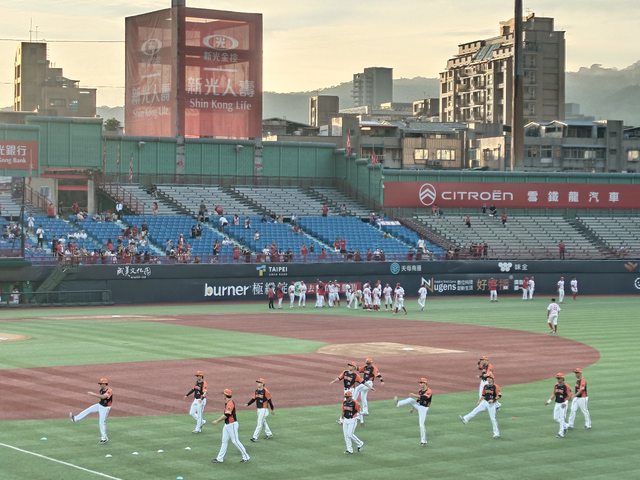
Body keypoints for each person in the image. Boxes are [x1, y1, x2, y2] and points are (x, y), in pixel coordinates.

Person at [69, 377, 113, 444]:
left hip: (105, 408)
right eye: (100, 383)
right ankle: (75, 419)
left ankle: (104, 438)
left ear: (105, 384)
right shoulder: (101, 390)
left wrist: (93, 394)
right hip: (100, 405)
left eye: (101, 383)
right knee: (88, 410)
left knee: (101, 422)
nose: (100, 385)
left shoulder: (109, 390)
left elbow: (103, 397)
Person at [211, 389, 250, 463]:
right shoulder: (227, 402)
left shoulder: (230, 403)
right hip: (227, 425)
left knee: (235, 441)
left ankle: (246, 457)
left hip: (232, 425)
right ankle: (219, 458)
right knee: (224, 441)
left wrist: (217, 421)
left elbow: (226, 415)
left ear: (226, 395)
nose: (223, 395)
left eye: (223, 394)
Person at [460, 372, 501, 438]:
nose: (488, 379)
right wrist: (479, 401)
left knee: (493, 419)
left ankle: (496, 433)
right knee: (476, 410)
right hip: (484, 402)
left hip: (491, 404)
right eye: (487, 378)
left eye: (489, 378)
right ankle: (466, 419)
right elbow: (483, 395)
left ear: (492, 379)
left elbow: (499, 395)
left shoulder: (495, 386)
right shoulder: (486, 386)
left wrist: (493, 400)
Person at [394, 377, 432, 446]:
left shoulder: (429, 391)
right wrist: (413, 408)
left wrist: (413, 395)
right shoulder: (420, 391)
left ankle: (423, 441)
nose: (420, 384)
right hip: (419, 406)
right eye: (420, 383)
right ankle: (398, 404)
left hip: (424, 408)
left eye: (421, 383)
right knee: (410, 399)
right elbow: (418, 400)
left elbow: (424, 397)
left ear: (425, 383)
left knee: (421, 425)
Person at [354, 358, 384, 423]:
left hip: (369, 383)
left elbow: (378, 374)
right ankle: (365, 411)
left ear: (371, 363)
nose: (368, 364)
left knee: (357, 388)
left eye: (369, 363)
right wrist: (354, 367)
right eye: (368, 363)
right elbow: (359, 369)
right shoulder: (365, 367)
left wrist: (382, 381)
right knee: (363, 397)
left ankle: (353, 401)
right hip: (365, 383)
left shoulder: (373, 368)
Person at [247, 378, 275, 442]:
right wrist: (248, 404)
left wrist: (272, 409)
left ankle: (254, 437)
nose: (258, 383)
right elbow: (254, 399)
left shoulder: (266, 391)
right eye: (257, 382)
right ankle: (269, 433)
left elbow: (270, 401)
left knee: (259, 423)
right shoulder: (256, 390)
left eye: (259, 382)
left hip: (264, 409)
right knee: (263, 421)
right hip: (259, 409)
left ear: (262, 384)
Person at [545, 372, 572, 438]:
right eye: (557, 378)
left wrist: (565, 403)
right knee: (555, 418)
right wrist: (549, 401)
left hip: (563, 403)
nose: (558, 379)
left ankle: (561, 433)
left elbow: (570, 395)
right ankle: (566, 425)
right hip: (557, 403)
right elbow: (554, 394)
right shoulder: (556, 385)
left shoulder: (566, 386)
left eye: (559, 378)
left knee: (562, 418)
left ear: (562, 378)